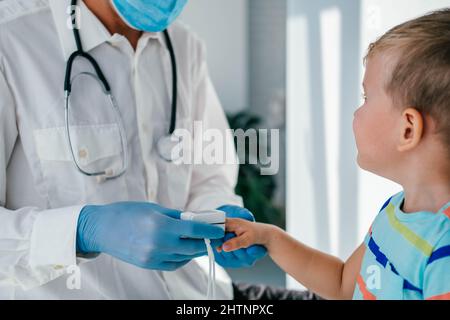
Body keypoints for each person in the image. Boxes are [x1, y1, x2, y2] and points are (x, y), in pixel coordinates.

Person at [0, 0, 282, 300]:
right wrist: (82, 231)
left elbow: (209, 176)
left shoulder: (184, 47)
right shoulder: (11, 40)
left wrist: (219, 212)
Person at [219, 9, 450, 300]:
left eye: (366, 98)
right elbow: (343, 283)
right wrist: (271, 237)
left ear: (408, 130)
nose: (356, 111)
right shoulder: (395, 211)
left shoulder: (444, 246)